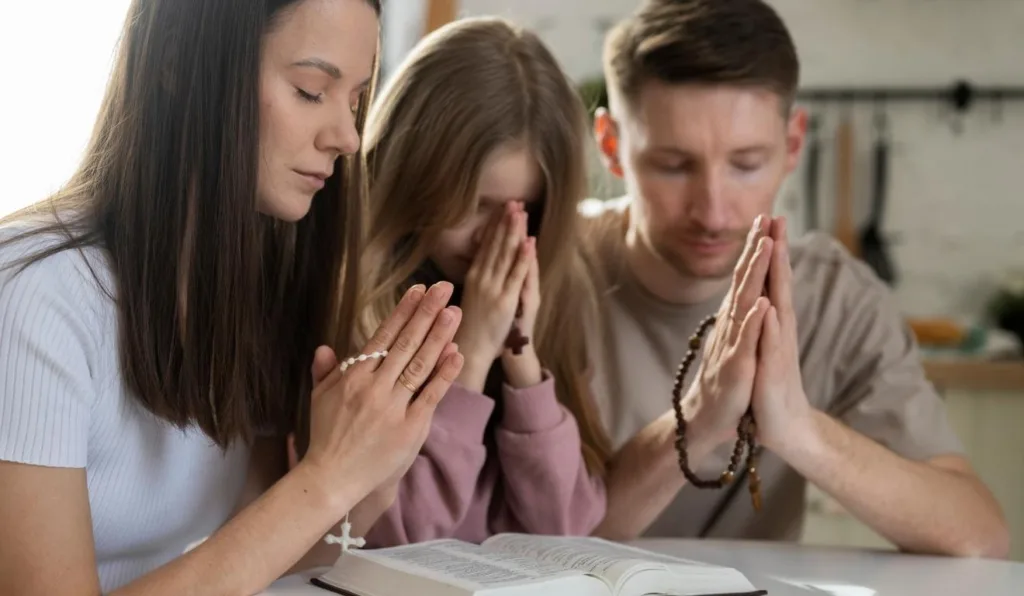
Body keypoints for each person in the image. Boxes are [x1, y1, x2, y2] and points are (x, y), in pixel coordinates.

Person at [0, 1, 466, 594]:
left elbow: (255, 555)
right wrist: (326, 475)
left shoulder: (252, 283)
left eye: (355, 99)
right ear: (176, 64)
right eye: (309, 90)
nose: (348, 137)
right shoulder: (31, 290)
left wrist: (370, 475)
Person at [584, 0, 1009, 557]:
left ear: (791, 145)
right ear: (612, 145)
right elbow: (517, 545)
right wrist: (700, 418)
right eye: (673, 165)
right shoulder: (540, 274)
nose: (713, 211)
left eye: (746, 164)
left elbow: (979, 535)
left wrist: (798, 429)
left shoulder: (837, 298)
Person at [348, 16, 612, 546]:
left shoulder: (559, 293)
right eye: (473, 206)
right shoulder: (359, 304)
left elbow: (567, 530)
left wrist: (520, 357)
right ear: (413, 178)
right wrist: (468, 356)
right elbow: (395, 533)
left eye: (522, 210)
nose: (493, 241)